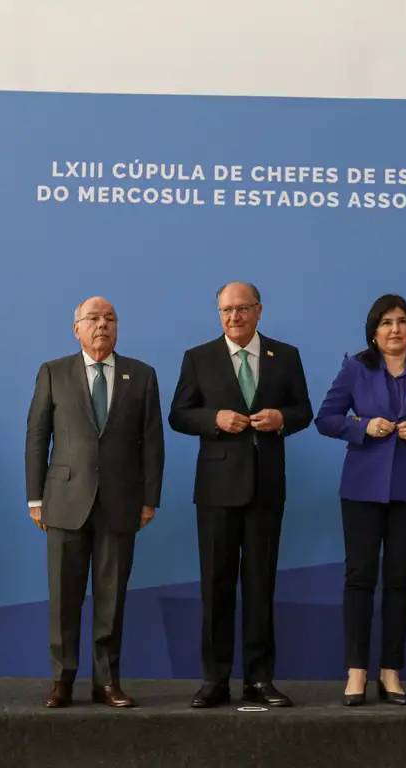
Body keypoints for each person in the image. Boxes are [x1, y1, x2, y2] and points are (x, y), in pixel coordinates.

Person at [169, 281, 312, 708]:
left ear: (259, 311)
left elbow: (305, 410)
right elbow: (178, 414)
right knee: (216, 586)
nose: (235, 317)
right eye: (227, 310)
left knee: (260, 585)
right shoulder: (199, 358)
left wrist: (281, 418)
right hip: (216, 490)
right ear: (219, 314)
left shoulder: (285, 356)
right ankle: (215, 679)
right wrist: (215, 418)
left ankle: (260, 679)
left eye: (243, 309)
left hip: (267, 488)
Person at [315, 295, 406, 706]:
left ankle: (391, 672)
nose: (394, 329)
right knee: (359, 579)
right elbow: (325, 419)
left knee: (399, 581)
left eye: (401, 322)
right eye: (385, 323)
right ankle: (356, 672)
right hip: (361, 489)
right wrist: (361, 426)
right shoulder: (355, 369)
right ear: (374, 333)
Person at [25, 296, 164, 709]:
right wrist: (36, 498)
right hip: (64, 499)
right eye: (93, 318)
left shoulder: (141, 375)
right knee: (63, 597)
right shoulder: (54, 372)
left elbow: (153, 442)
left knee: (111, 597)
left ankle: (107, 681)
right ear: (76, 329)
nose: (101, 325)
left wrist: (149, 498)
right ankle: (61, 680)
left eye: (109, 319)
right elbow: (37, 437)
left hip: (122, 502)